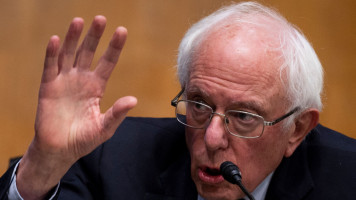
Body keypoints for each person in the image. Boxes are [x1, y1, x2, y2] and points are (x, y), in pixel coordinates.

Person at [1, 1, 356, 200]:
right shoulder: (113, 158)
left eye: (245, 116)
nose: (212, 139)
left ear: (297, 130)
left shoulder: (347, 180)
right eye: (199, 105)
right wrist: (39, 170)